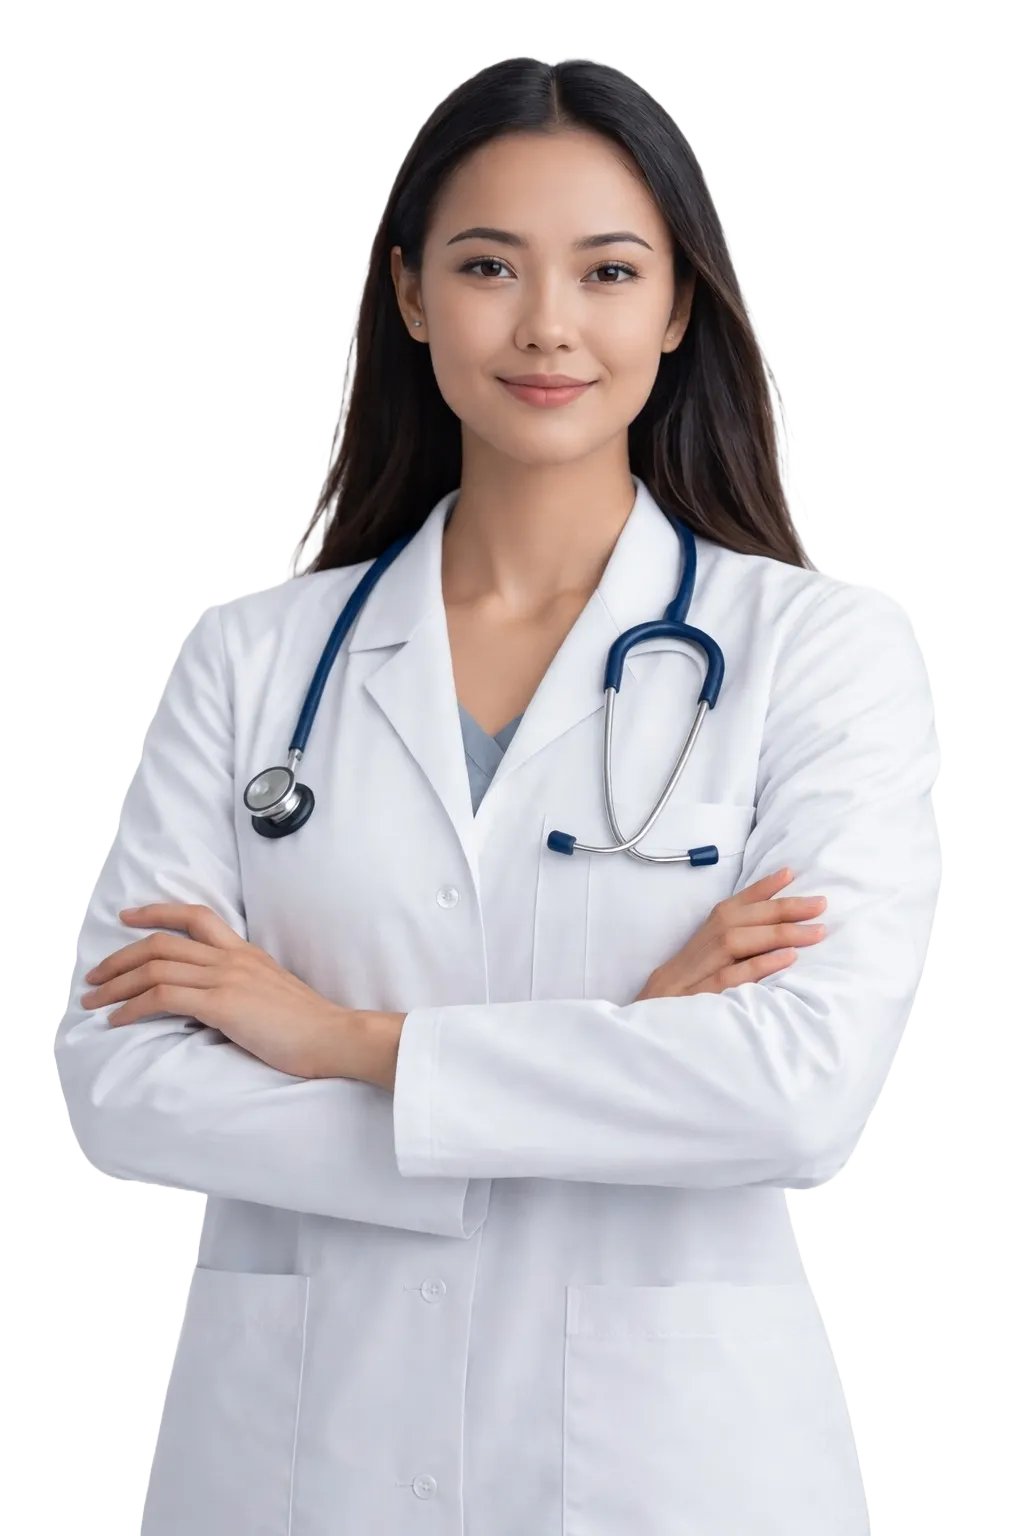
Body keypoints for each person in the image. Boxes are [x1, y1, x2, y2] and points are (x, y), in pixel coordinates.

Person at [53, 54, 940, 1536]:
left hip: (665, 1475)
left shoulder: (819, 649)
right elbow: (124, 1085)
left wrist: (342, 1042)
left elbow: (799, 1093)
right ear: (408, 295)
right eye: (486, 265)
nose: (546, 326)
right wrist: (620, 1060)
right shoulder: (252, 656)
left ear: (675, 307)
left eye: (606, 270)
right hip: (295, 1470)